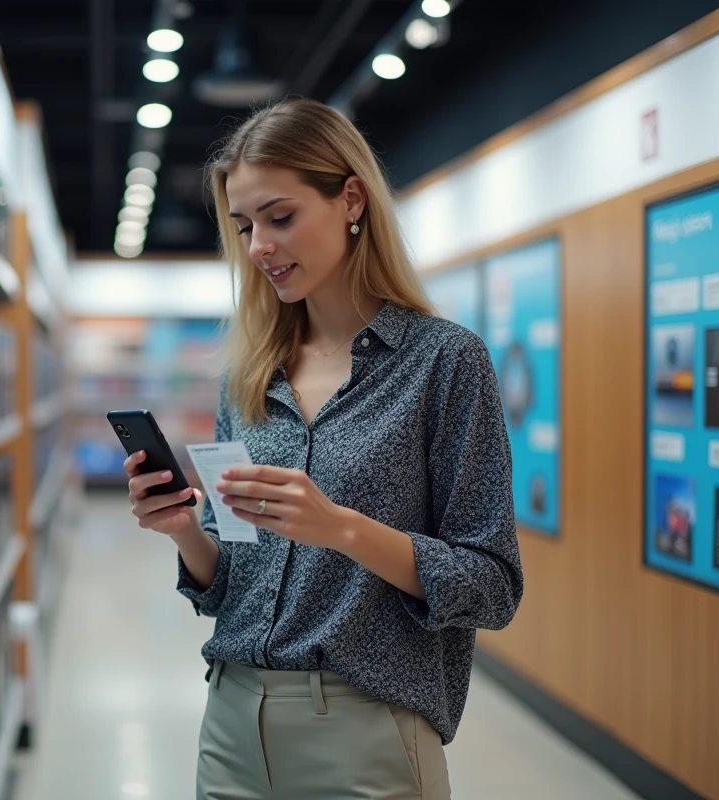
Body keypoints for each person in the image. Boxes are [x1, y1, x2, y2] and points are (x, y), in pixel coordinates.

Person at [123, 98, 524, 799]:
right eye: (244, 226)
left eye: (280, 217)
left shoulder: (444, 363)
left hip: (365, 733)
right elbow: (231, 579)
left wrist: (340, 528)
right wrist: (185, 529)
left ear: (351, 201)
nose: (258, 247)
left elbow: (490, 586)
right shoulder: (249, 376)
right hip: (231, 724)